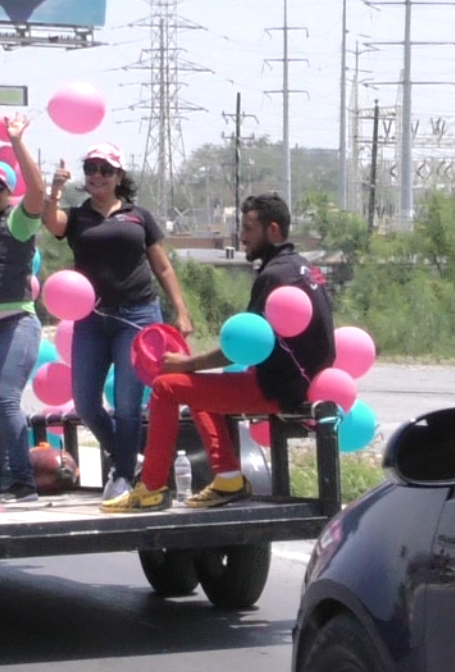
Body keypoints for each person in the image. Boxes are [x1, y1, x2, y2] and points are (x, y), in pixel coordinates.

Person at [103, 191, 334, 513]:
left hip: (280, 388)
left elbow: (247, 346)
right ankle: (228, 479)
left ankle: (152, 488)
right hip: (303, 381)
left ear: (274, 231)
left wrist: (186, 363)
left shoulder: (274, 276)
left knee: (166, 388)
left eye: (249, 228)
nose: (242, 237)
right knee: (200, 388)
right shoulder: (303, 268)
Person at [42, 143, 195, 500]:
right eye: (91, 168)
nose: (97, 175)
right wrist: (55, 189)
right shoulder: (77, 216)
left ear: (119, 177)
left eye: (105, 170)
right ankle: (129, 455)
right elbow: (51, 223)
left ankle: (123, 475)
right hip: (92, 319)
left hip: (137, 316)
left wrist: (181, 310)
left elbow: (163, 266)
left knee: (128, 404)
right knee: (84, 402)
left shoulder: (138, 216)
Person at [0, 110, 49, 503]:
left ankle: (23, 481)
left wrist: (16, 142)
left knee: (3, 398)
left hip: (16, 320)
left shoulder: (18, 223)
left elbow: (38, 192)